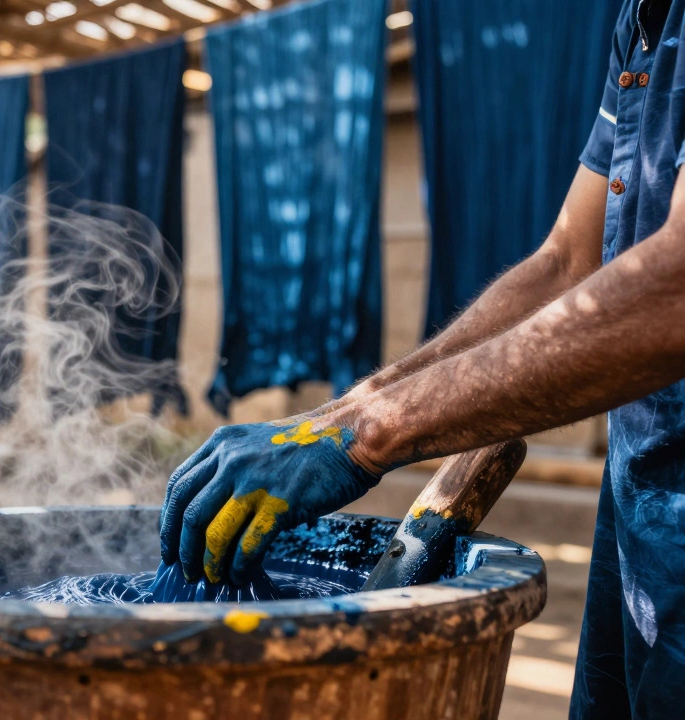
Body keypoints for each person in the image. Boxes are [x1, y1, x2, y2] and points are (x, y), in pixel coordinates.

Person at [159, 1, 685, 718]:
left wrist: (368, 435)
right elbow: (568, 262)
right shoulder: (643, 20)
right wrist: (334, 419)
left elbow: (673, 290)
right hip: (638, 511)